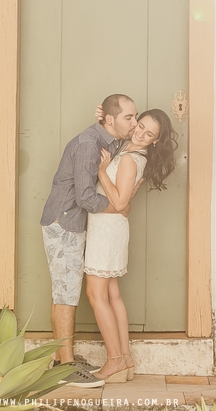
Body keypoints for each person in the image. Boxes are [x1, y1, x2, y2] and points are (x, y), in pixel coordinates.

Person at [39, 93, 138, 388]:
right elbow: (84, 197)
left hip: (70, 224)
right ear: (110, 120)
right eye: (128, 117)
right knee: (66, 293)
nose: (134, 123)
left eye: (135, 117)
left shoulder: (105, 139)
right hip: (63, 224)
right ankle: (65, 365)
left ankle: (63, 357)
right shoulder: (88, 145)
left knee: (66, 289)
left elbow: (122, 144)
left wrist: (106, 118)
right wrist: (119, 206)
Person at [83, 109, 178, 383]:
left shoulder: (130, 159)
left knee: (96, 294)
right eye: (140, 125)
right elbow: (110, 130)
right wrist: (103, 117)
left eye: (149, 134)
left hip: (107, 229)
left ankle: (113, 361)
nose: (140, 132)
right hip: (110, 226)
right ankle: (125, 360)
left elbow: (121, 203)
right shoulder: (127, 148)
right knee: (112, 294)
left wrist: (102, 171)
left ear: (155, 141)